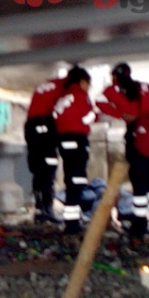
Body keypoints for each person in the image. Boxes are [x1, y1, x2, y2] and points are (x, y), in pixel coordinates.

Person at [95, 62, 149, 239]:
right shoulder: (146, 87)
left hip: (136, 138)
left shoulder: (115, 90)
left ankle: (139, 225)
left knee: (139, 184)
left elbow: (99, 102)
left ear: (115, 76)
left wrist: (121, 114)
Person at [52, 65, 97, 234]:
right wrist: (97, 113)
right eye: (88, 83)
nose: (89, 87)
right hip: (77, 139)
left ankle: (72, 219)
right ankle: (72, 223)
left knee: (71, 178)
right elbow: (87, 117)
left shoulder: (63, 96)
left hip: (63, 140)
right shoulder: (80, 94)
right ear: (82, 81)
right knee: (77, 181)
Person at [24, 74, 67, 223]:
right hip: (43, 125)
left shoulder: (48, 84)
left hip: (31, 126)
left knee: (38, 170)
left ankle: (40, 209)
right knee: (48, 168)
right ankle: (47, 210)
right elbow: (66, 110)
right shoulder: (66, 88)